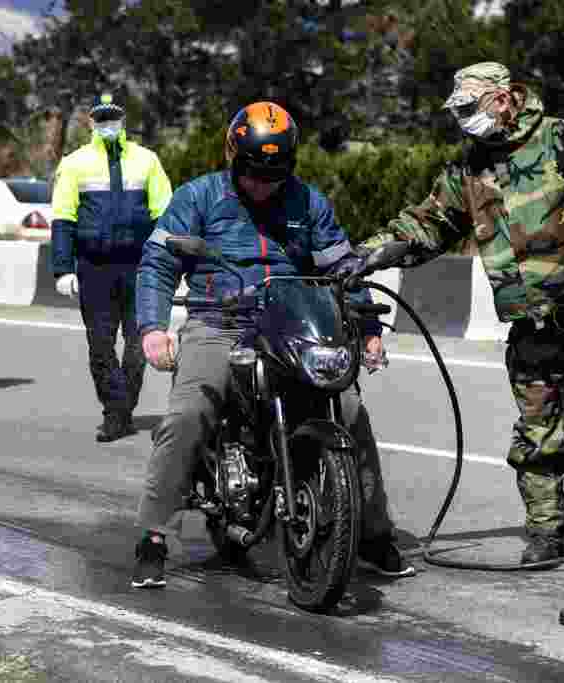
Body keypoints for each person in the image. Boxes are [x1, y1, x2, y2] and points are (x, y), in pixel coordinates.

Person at [352, 62, 564, 566]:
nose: (463, 119)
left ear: (504, 100)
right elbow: (426, 225)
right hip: (535, 322)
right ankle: (547, 532)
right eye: (457, 111)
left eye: (470, 107)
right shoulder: (469, 169)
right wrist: (369, 253)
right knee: (537, 435)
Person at [130, 101, 415, 588]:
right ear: (232, 157)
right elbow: (157, 264)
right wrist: (152, 329)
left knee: (349, 409)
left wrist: (368, 328)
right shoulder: (198, 197)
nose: (263, 184)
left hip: (289, 323)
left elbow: (342, 270)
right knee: (188, 413)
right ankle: (154, 535)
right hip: (218, 322)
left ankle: (371, 532)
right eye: (253, 173)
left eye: (275, 174)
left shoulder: (309, 203)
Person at [51, 93, 173, 443]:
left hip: (140, 266)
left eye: (113, 118)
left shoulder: (147, 160)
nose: (108, 124)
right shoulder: (74, 163)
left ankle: (121, 410)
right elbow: (63, 218)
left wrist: (169, 263)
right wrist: (63, 269)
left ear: (123, 121)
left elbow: (165, 216)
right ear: (91, 122)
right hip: (95, 268)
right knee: (101, 345)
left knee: (138, 344)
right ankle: (116, 413)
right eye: (101, 118)